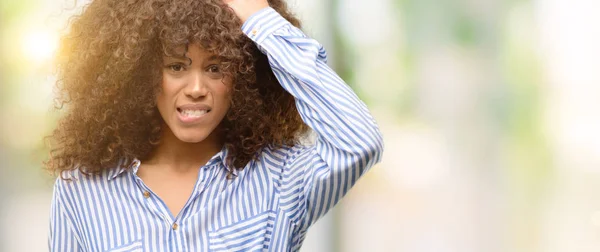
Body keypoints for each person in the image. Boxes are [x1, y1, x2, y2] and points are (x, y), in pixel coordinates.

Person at [46, 0, 383, 251]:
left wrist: (260, 20)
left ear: (245, 75)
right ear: (140, 75)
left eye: (216, 67)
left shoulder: (281, 179)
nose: (196, 88)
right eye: (177, 67)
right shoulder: (81, 189)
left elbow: (359, 142)